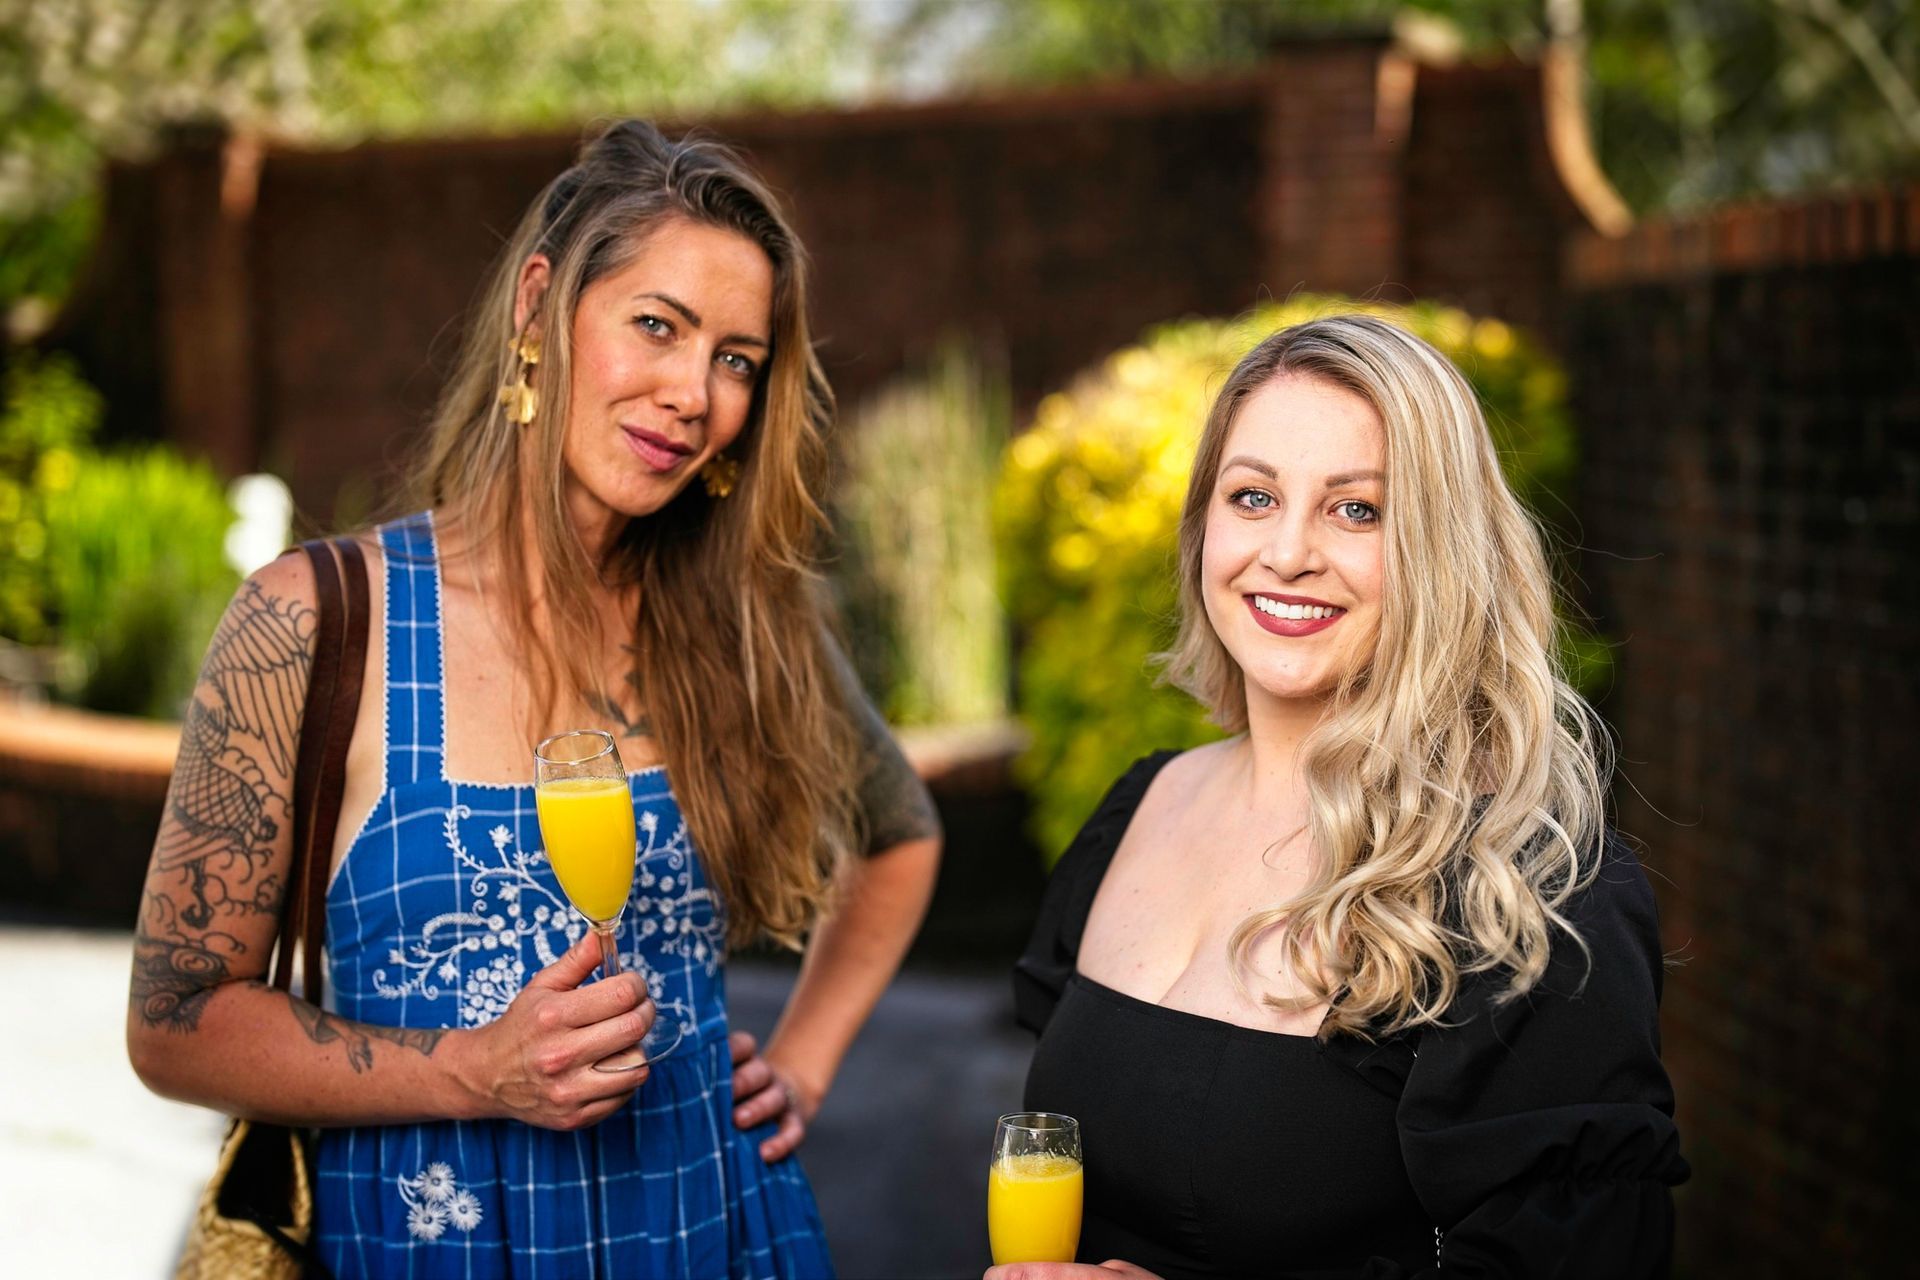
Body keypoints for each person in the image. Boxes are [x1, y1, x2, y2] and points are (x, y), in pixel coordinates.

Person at [127, 119, 942, 1278]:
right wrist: (470, 1067)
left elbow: (900, 836)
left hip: (714, 1230)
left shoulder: (745, 623)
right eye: (655, 326)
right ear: (539, 307)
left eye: (736, 359)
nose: (690, 393)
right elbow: (174, 1020)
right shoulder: (318, 619)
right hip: (429, 1245)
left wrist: (802, 1058)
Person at [991, 315, 1687, 1280]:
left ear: (1443, 554)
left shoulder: (1522, 888)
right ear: (1204, 528)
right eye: (1253, 496)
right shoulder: (1142, 807)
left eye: (1357, 510)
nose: (1286, 552)